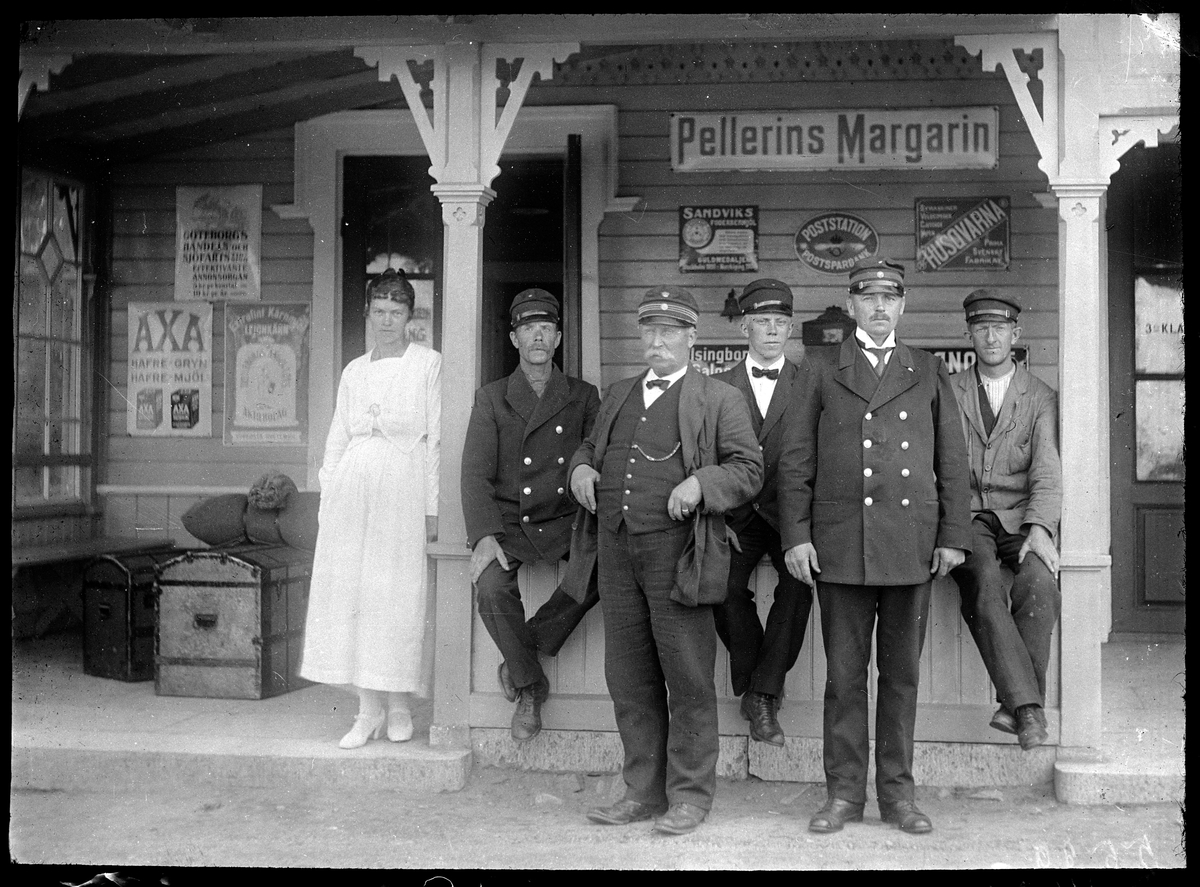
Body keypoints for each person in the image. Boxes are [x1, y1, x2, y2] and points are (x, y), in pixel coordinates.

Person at [780, 258, 972, 835]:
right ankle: (842, 795)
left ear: (903, 306)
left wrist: (954, 537)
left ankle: (897, 797)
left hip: (910, 545)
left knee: (901, 678)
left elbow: (953, 462)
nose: (880, 308)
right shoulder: (820, 368)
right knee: (843, 679)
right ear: (853, 303)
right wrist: (796, 535)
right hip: (841, 547)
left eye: (890, 298)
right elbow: (795, 461)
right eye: (869, 299)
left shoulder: (927, 369)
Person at [567, 285, 762, 836]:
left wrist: (701, 483)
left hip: (680, 555)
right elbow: (589, 450)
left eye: (669, 332)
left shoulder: (718, 398)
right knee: (628, 677)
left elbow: (749, 468)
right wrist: (580, 469)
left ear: (692, 339)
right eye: (649, 331)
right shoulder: (619, 393)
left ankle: (691, 797)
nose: (657, 341)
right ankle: (641, 793)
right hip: (617, 552)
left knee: (688, 677)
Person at [299, 269, 441, 748]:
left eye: (395, 312)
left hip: (402, 489)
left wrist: (432, 505)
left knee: (397, 598)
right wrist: (327, 496)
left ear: (409, 317)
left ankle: (399, 706)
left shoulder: (428, 364)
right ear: (367, 314)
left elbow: (437, 440)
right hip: (351, 495)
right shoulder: (354, 371)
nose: (386, 320)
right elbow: (337, 437)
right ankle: (367, 709)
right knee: (354, 598)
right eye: (378, 312)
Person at [461, 288, 602, 742]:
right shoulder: (492, 398)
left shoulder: (583, 396)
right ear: (514, 338)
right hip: (511, 523)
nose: (537, 336)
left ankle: (527, 650)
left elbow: (597, 453)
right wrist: (484, 535)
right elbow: (475, 474)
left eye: (545, 328)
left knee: (603, 570)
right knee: (489, 588)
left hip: (564, 518)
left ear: (558, 338)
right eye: (528, 328)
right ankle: (529, 687)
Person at [949, 289, 1062, 751]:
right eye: (981, 327)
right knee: (982, 578)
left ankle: (1014, 705)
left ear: (1016, 334)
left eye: (999, 328)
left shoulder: (1039, 396)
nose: (991, 336)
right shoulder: (950, 390)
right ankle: (1028, 709)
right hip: (969, 515)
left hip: (1018, 518)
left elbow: (1048, 470)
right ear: (969, 334)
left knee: (1039, 582)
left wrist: (1039, 529)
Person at [712, 278, 813, 747]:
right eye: (761, 322)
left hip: (788, 512)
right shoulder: (717, 387)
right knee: (721, 587)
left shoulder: (810, 382)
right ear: (744, 328)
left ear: (790, 329)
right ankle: (760, 682)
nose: (771, 331)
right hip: (735, 515)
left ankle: (764, 695)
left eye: (779, 323)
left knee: (798, 587)